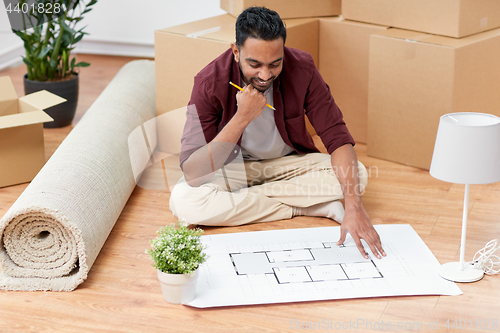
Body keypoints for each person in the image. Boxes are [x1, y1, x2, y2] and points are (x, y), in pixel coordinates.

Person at [169, 6, 385, 259]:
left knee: (357, 172)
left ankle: (250, 202)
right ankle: (304, 207)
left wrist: (354, 208)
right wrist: (242, 117)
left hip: (288, 165)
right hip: (234, 169)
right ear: (236, 51)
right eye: (254, 64)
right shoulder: (209, 82)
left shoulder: (302, 69)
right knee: (185, 202)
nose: (265, 75)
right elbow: (193, 174)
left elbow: (336, 137)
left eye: (275, 63)